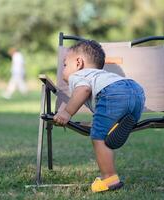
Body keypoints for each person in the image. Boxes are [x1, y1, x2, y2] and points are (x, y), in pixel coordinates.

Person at [53, 40, 145, 192]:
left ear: (78, 63)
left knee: (98, 136)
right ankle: (121, 123)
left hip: (113, 94)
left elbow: (84, 90)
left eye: (64, 65)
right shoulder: (103, 75)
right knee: (103, 122)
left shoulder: (78, 76)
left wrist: (67, 112)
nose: (63, 69)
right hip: (136, 92)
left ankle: (109, 178)